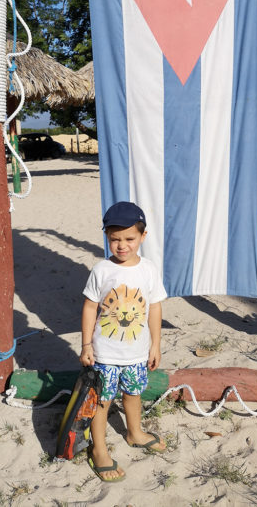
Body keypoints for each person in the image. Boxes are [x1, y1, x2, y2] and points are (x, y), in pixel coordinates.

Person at [79, 201, 167, 482]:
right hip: (104, 353)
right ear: (107, 237)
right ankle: (100, 449)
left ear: (143, 236)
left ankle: (134, 432)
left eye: (129, 238)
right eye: (114, 239)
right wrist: (86, 345)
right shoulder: (101, 270)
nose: (121, 245)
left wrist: (155, 344)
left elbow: (154, 307)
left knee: (133, 393)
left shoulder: (149, 269)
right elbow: (90, 307)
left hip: (137, 353)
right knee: (102, 401)